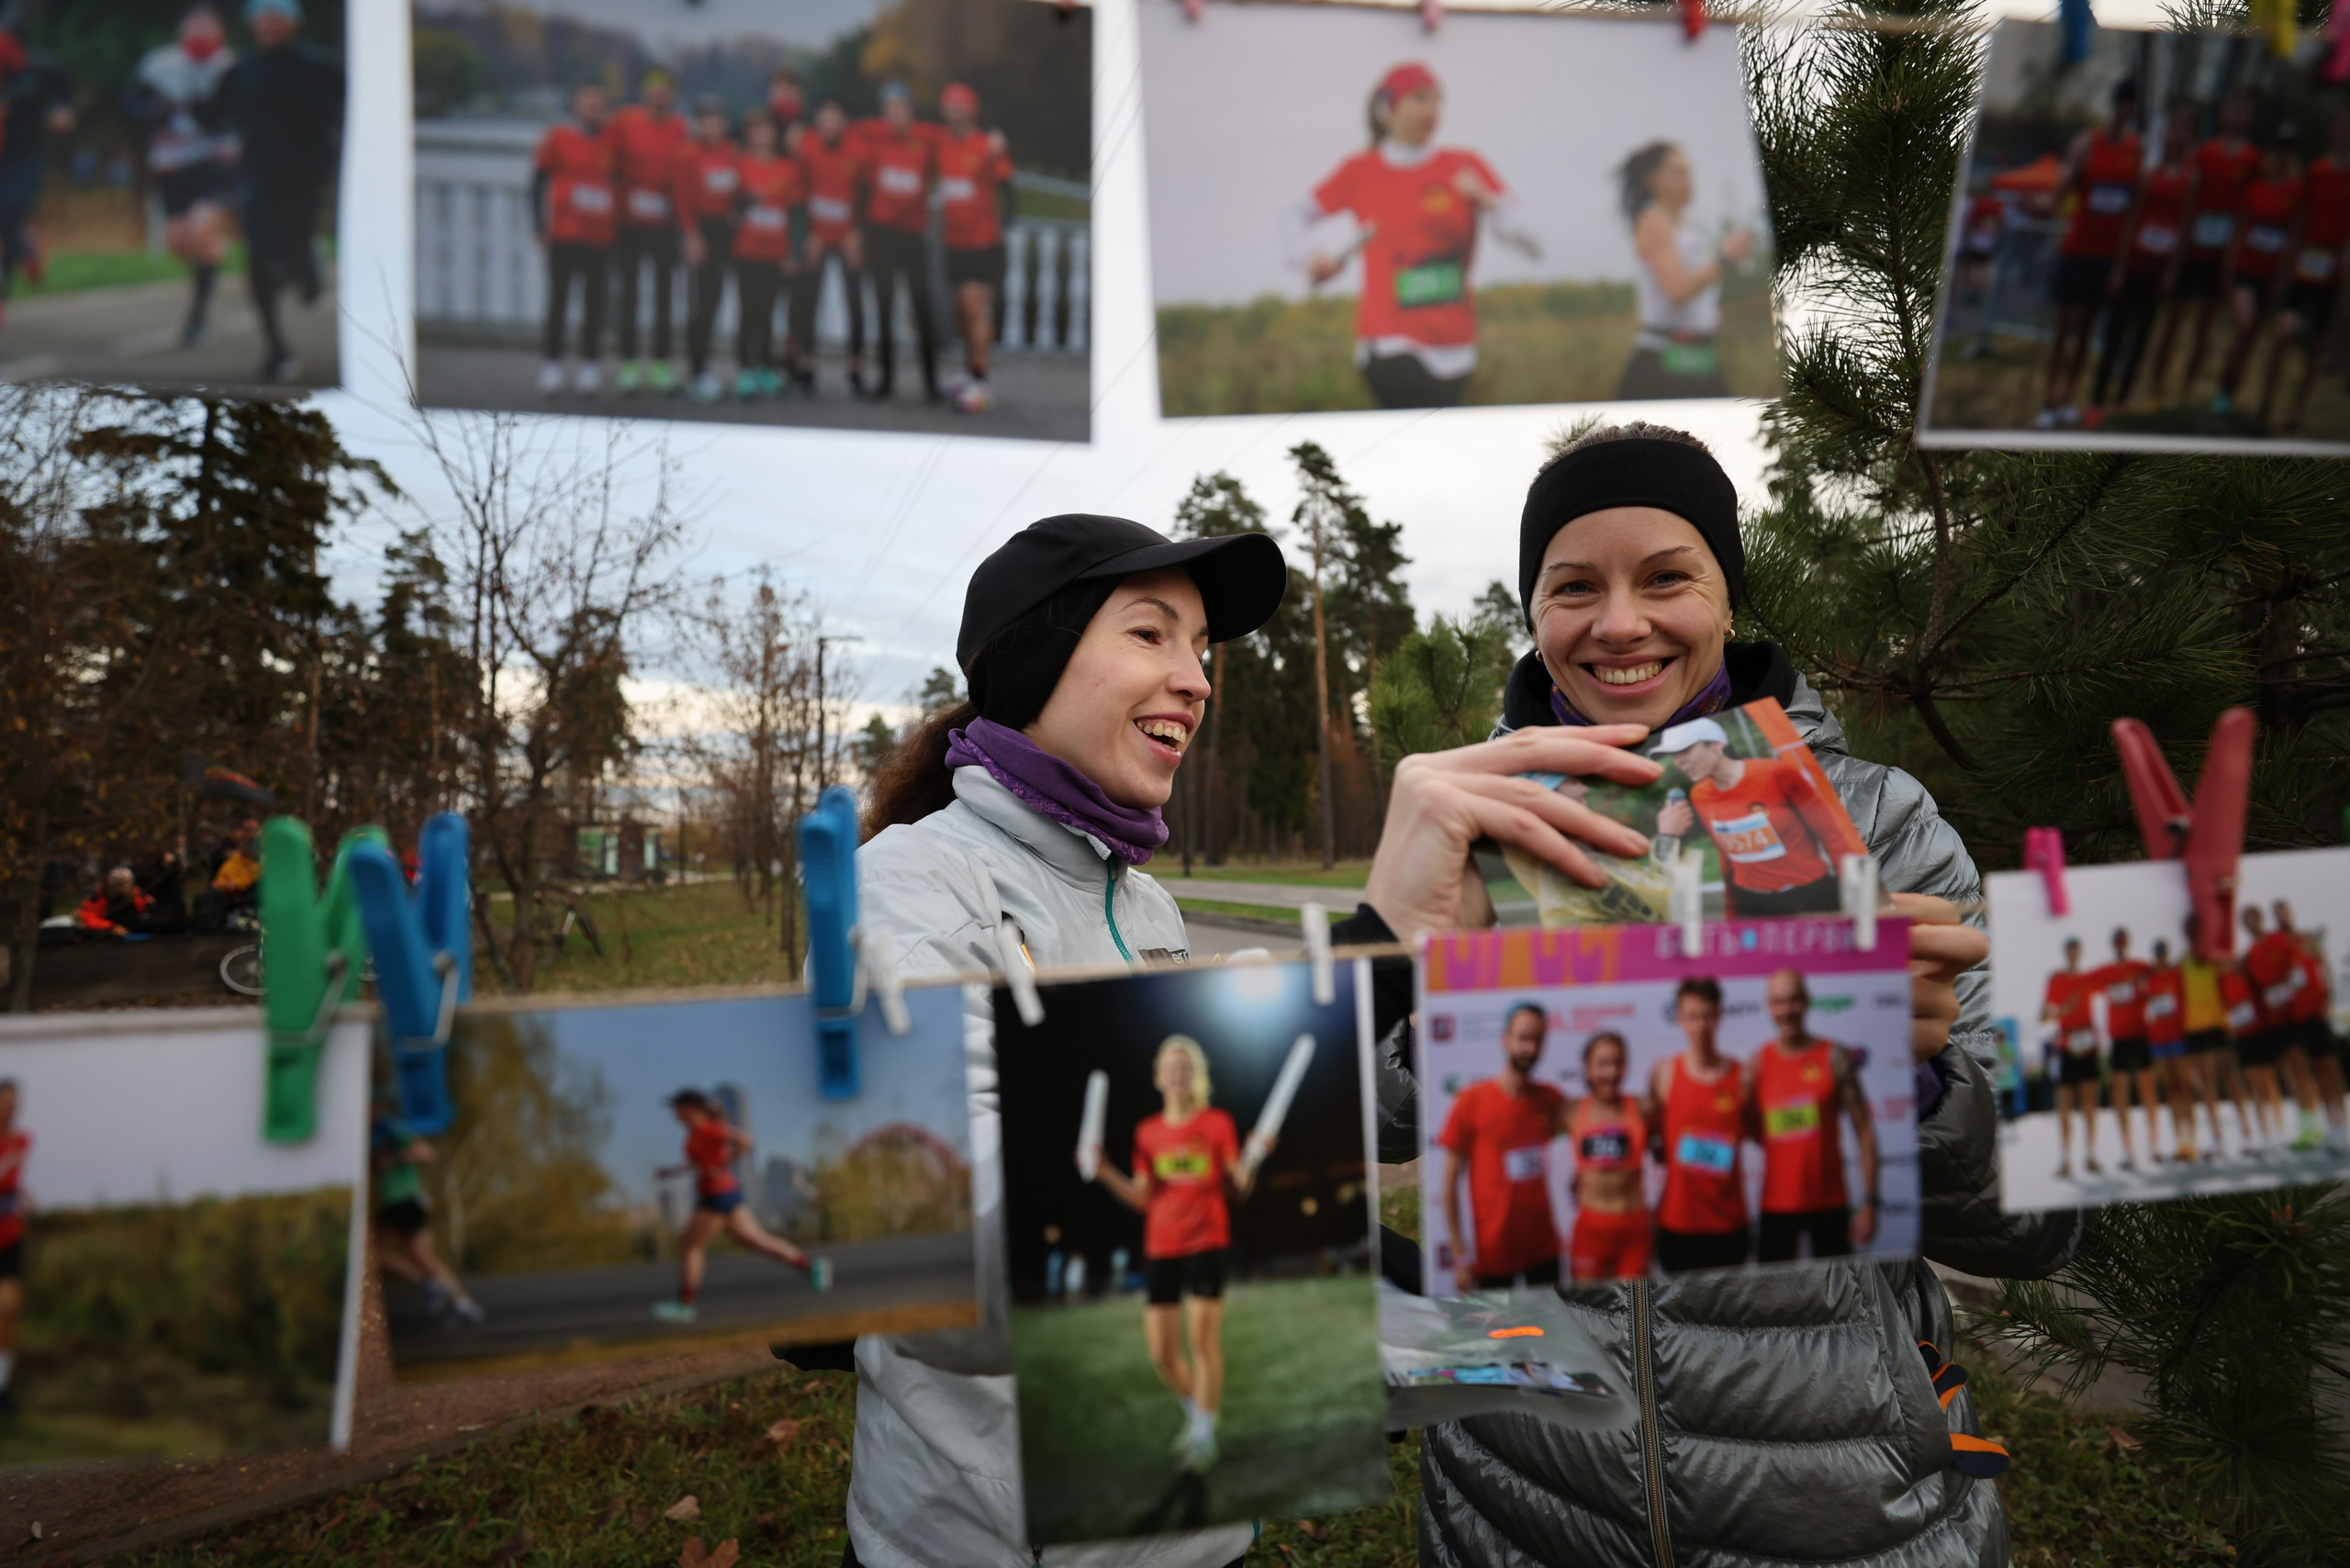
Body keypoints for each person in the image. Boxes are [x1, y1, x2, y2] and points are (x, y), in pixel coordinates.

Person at [1344, 420, 2069, 1567]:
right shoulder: (1467, 820)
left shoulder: (1878, 820)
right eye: (1572, 586)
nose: (1617, 622)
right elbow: (1346, 1135)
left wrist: (1924, 1083)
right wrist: (1418, 1000)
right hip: (1517, 1498)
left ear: (1726, 599)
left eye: (1665, 577)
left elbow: (2032, 1228)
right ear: (1532, 612)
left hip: (1838, 1512)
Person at [845, 510, 1287, 1567]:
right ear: (1035, 658)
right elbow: (933, 1265)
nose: (1195, 679)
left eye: (1201, 648)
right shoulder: (906, 886)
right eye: (1150, 633)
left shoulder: (1148, 907)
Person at [1289, 62, 1535, 409]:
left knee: (1438, 435)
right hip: (1389, 342)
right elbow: (1292, 217)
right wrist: (1309, 257)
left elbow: (1534, 244)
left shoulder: (1464, 165)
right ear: (1388, 108)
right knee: (1418, 419)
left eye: (1437, 100)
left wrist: (1489, 201)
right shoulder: (1361, 170)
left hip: (1456, 346)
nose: (1432, 109)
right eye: (1419, 98)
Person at [1084, 1034, 1263, 1473]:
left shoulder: (1217, 1123)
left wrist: (1251, 1165)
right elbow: (1142, 1197)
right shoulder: (1146, 1132)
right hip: (1162, 1245)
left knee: (1202, 1341)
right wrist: (1105, 1171)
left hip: (1207, 1241)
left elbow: (1237, 1187)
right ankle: (1199, 1415)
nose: (1178, 1073)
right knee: (1162, 1353)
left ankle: (1203, 1433)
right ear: (1158, 1077)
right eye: (1170, 1066)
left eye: (1186, 1066)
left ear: (1197, 1075)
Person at [226, 0, 341, 385]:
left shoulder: (319, 67)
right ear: (252, 23)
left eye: (278, 18)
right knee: (258, 260)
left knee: (293, 251)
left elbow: (340, 113)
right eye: (263, 18)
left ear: (293, 23)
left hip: (303, 178)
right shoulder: (241, 69)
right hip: (257, 178)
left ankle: (305, 267)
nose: (269, 25)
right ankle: (276, 350)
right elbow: (213, 112)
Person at [654, 1089, 829, 1324]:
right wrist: (670, 1172)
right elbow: (695, 1164)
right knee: (757, 1240)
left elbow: (745, 1141)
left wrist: (724, 1163)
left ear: (691, 1108)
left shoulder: (710, 1128)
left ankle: (685, 1305)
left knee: (690, 1246)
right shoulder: (694, 1134)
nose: (675, 1113)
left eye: (677, 1108)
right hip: (725, 1194)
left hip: (717, 1195)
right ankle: (810, 1267)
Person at [1651, 715, 1852, 916]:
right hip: (1750, 902)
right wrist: (1731, 910)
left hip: (1809, 894)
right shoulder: (1699, 794)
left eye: (1685, 750)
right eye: (1674, 755)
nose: (1679, 762)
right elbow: (1726, 855)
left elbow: (1832, 834)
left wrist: (1852, 894)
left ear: (1717, 744)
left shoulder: (1777, 773)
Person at [125, 5, 239, 348]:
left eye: (207, 28)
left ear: (220, 32)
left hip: (215, 160)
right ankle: (211, 251)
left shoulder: (232, 67)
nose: (200, 34)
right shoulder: (159, 65)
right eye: (194, 28)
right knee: (178, 242)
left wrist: (217, 118)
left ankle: (197, 317)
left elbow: (248, 109)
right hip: (172, 162)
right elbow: (130, 101)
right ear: (182, 31)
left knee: (201, 230)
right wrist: (152, 113)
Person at [2033, 77, 2140, 430]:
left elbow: (2132, 211)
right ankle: (2048, 401)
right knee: (2063, 329)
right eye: (2124, 102)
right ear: (2116, 105)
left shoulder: (2136, 151)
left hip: (2105, 256)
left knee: (2085, 332)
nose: (2128, 110)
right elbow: (2061, 192)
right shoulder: (2088, 144)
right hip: (2076, 250)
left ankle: (2067, 399)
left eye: (2133, 104)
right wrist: (2047, 204)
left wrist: (2120, 265)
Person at [1438, 1002, 1567, 1290]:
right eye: (1523, 1038)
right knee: (1499, 1322)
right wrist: (1459, 1255)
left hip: (1544, 1252)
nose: (1530, 1048)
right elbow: (1448, 1185)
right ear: (1505, 1039)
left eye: (1538, 1040)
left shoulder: (1551, 1099)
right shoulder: (1471, 1101)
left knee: (1551, 1321)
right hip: (1492, 1255)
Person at [1751, 968, 1877, 1261]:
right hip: (1776, 1208)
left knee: (1839, 1288)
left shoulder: (1835, 1056)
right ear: (1769, 1007)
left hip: (1830, 1205)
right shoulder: (1757, 1064)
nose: (1786, 1010)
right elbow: (1744, 1129)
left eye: (1793, 1000)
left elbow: (1864, 1130)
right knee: (1772, 1291)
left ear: (1807, 1001)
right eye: (1778, 1002)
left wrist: (1870, 1202)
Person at [1616, 140, 1755, 399]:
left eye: (1689, 172)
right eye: (1677, 173)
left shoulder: (1685, 226)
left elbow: (1692, 287)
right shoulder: (1653, 221)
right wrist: (1724, 259)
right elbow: (1677, 290)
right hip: (1663, 363)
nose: (1688, 181)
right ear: (1652, 180)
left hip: (1696, 358)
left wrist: (1707, 312)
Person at [2156, 92, 2260, 404]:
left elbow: (2248, 209)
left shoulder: (2252, 159)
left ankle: (2186, 393)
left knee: (2204, 327)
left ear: (2250, 118)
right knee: (2173, 322)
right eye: (2233, 108)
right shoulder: (2205, 152)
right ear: (2224, 113)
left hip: (2221, 254)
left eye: (2243, 110)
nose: (2237, 115)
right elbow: (2189, 198)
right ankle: (2156, 390)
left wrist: (2233, 258)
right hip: (2193, 249)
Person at [2093, 104, 2196, 412]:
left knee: (2141, 336)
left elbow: (2185, 227)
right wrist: (2119, 267)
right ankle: (2097, 399)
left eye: (2184, 129)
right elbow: (2132, 220)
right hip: (2135, 264)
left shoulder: (2191, 179)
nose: (2176, 135)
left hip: (2159, 269)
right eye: (2173, 128)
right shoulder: (2148, 174)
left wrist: (2172, 272)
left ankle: (2122, 399)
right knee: (2116, 332)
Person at [1649, 976, 1751, 1272]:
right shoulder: (1664, 1074)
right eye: (1692, 1017)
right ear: (1680, 1019)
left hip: (1729, 1225)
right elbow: (1652, 1138)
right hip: (1677, 1224)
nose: (1700, 1025)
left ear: (1719, 1016)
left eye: (1707, 1016)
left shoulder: (1741, 1076)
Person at [932, 84, 1013, 414]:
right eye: (950, 105)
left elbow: (1008, 186)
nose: (955, 110)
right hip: (953, 242)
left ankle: (980, 384)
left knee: (974, 309)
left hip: (983, 243)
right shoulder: (939, 143)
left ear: (972, 110)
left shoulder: (986, 145)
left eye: (960, 105)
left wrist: (1004, 225)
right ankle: (969, 374)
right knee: (961, 314)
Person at [2212, 125, 2303, 420]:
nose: (2283, 155)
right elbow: (2239, 229)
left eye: (2289, 149)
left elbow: (2293, 237)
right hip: (2245, 269)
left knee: (2251, 337)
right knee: (2245, 324)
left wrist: (2283, 276)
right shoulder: (2256, 188)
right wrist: (2228, 267)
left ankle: (2229, 394)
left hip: (2270, 274)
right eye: (2279, 148)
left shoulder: (2296, 192)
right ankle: (2224, 385)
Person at [532, 82, 616, 395]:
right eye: (587, 101)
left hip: (600, 236)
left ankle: (589, 366)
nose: (593, 106)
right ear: (576, 104)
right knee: (559, 301)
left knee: (595, 304)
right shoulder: (557, 137)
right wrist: (539, 225)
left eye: (599, 101)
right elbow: (538, 182)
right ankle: (551, 364)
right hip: (565, 233)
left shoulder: (612, 140)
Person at [608, 70, 688, 397]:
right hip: (629, 224)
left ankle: (661, 365)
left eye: (665, 90)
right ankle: (628, 365)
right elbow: (606, 161)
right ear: (644, 93)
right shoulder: (625, 121)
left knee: (664, 297)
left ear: (672, 96)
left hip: (666, 226)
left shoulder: (681, 128)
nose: (659, 96)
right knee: (627, 296)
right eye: (654, 89)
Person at [857, 83, 938, 404]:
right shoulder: (874, 140)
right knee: (883, 307)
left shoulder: (925, 140)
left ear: (911, 111)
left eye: (901, 108)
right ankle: (886, 380)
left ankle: (930, 383)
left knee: (922, 308)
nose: (895, 115)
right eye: (889, 110)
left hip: (913, 237)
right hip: (882, 236)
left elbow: (956, 141)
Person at [370, 1103, 484, 1327]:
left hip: (405, 1199)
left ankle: (435, 1287)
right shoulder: (370, 1133)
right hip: (395, 1202)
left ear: (375, 1108)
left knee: (381, 1254)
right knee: (418, 1256)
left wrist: (395, 1158)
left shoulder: (391, 1128)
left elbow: (426, 1153)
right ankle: (461, 1302)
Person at [2276, 106, 2350, 433]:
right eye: (2343, 124)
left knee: (2316, 347)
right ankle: (2267, 399)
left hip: (2333, 272)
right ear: (2334, 129)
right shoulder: (2317, 170)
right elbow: (2301, 216)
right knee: (2284, 331)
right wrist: (2289, 259)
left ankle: (2296, 411)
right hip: (2305, 264)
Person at [790, 99, 867, 396]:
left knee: (855, 302)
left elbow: (867, 192)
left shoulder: (856, 149)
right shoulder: (806, 147)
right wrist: (808, 234)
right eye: (825, 119)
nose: (830, 125)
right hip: (818, 237)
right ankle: (807, 365)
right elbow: (798, 193)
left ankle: (855, 368)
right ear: (818, 123)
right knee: (808, 300)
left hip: (848, 237)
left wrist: (858, 233)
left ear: (843, 122)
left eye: (835, 119)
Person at [1564, 1030, 1650, 1283]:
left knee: (1637, 1307)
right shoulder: (1570, 1111)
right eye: (1603, 1064)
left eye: (1617, 1063)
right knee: (1587, 1306)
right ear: (1587, 1067)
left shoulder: (1644, 1108)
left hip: (1633, 1229)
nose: (1611, 1073)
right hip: (1591, 1230)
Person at [729, 110, 801, 400]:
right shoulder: (739, 164)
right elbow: (729, 204)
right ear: (749, 135)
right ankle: (745, 369)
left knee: (770, 312)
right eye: (756, 130)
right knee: (748, 310)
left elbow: (795, 213)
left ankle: (765, 368)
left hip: (775, 253)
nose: (762, 136)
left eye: (767, 130)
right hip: (746, 251)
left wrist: (792, 252)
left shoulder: (787, 168)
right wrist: (743, 205)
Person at [0, 30, 73, 313]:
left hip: (25, 156)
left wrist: (64, 109)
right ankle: (27, 247)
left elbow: (65, 90)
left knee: (8, 217)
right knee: (8, 225)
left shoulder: (39, 68)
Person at [2240, 902, 2323, 1152]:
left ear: (2260, 919)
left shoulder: (2279, 940)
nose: (2251, 923)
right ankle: (2305, 1126)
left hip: (2293, 1016)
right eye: (2246, 920)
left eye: (2253, 918)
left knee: (2301, 1071)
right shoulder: (2250, 953)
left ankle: (2315, 1126)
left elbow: (2298, 966)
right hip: (2272, 1022)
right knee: (2289, 1074)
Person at [674, 94, 740, 404]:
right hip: (699, 232)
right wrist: (691, 234)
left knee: (714, 301)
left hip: (724, 234)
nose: (712, 125)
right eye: (706, 120)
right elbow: (682, 197)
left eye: (716, 119)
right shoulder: (688, 153)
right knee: (698, 304)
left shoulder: (732, 151)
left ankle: (705, 368)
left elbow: (738, 191)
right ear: (698, 124)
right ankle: (696, 370)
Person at [2177, 914, 2249, 1158]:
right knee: (2206, 1084)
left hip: (2218, 1024)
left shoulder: (2215, 956)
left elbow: (2233, 971)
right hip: (2194, 1028)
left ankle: (2247, 1134)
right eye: (2188, 929)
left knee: (2230, 1079)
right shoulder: (2182, 962)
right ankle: (2218, 1140)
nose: (2191, 932)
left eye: (2195, 928)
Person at [2278, 902, 2349, 1150]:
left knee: (2328, 1070)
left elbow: (2325, 967)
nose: (2282, 917)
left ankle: (2340, 1126)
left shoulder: (2305, 939)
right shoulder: (2281, 949)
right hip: (2296, 1018)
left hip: (2315, 1014)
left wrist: (2328, 998)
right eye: (2277, 914)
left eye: (2284, 912)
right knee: (2307, 1073)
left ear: (2291, 914)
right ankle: (2321, 1128)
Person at [2090, 925, 2155, 1170]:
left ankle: (2153, 1146)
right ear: (2113, 944)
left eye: (2123, 940)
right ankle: (2128, 1150)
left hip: (2141, 1035)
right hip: (2118, 1039)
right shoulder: (2105, 972)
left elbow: (2162, 974)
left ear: (2128, 943)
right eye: (2117, 941)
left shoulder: (2141, 967)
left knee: (2147, 1091)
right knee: (2120, 1095)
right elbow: (2080, 983)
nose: (2120, 944)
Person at [2042, 935, 2104, 1176]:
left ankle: (2091, 1155)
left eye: (2076, 950)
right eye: (2070, 950)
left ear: (2080, 953)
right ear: (2065, 952)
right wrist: (2062, 1010)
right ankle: (2066, 1159)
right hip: (2067, 1045)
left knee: (2089, 1104)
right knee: (2064, 1105)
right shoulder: (2056, 980)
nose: (2073, 954)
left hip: (2088, 1044)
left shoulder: (2088, 979)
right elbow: (2043, 1016)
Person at [2142, 937, 2199, 1162]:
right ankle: (2179, 1143)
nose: (2161, 957)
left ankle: (2192, 1141)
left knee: (2184, 1087)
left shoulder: (2177, 974)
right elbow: (2149, 1007)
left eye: (2163, 953)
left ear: (2167, 954)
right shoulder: (2150, 979)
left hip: (2178, 1038)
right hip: (2158, 1041)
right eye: (2158, 954)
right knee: (2170, 1090)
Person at [0, 1081, 27, 1417]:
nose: (11, 1109)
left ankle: (2, 1388)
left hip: (8, 1236)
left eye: (14, 1103)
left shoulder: (21, 1141)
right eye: (5, 1102)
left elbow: (9, 1182)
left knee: (9, 1307)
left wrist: (21, 1195)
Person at [76, 866, 160, 935]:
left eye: (127, 884)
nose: (123, 888)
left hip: (134, 930)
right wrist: (111, 926)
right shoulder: (99, 897)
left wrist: (149, 906)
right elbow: (88, 918)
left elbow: (146, 904)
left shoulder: (137, 893)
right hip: (109, 934)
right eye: (119, 885)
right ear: (111, 885)